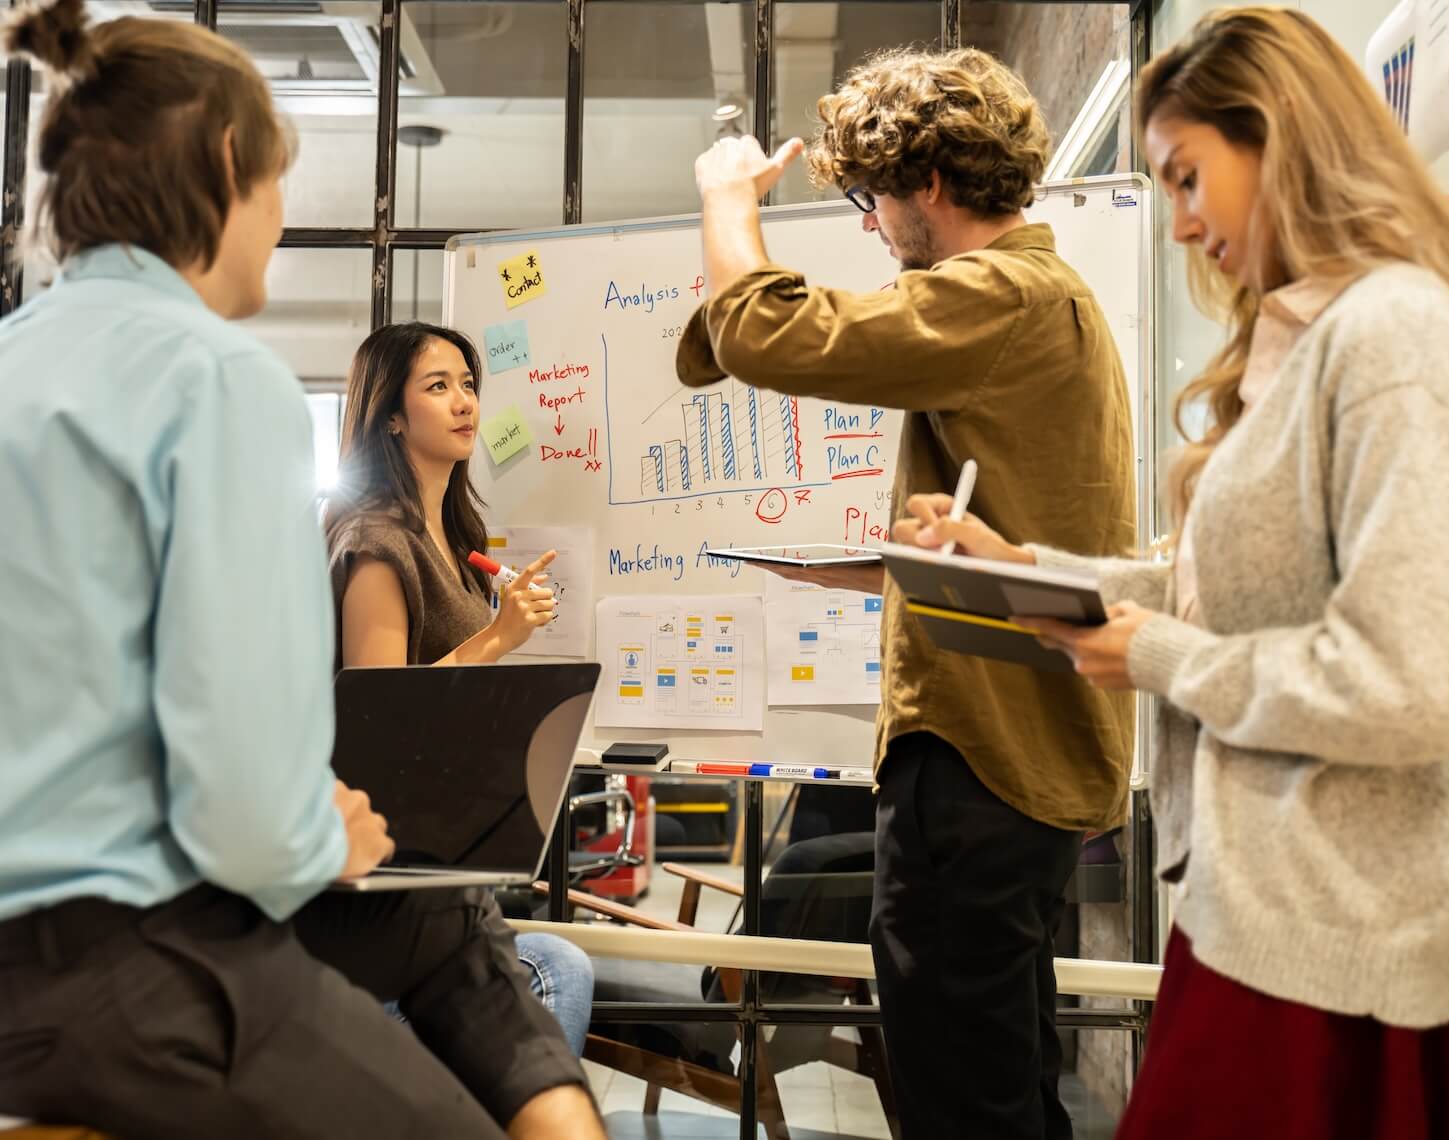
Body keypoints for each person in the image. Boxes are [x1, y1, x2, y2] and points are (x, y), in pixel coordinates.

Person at [896, 9, 1449, 1139]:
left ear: (1279, 136)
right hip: (1264, 920)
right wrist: (1023, 565)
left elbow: (1420, 683)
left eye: (1190, 178)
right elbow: (1223, 593)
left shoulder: (1391, 337)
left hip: (1327, 951)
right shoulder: (1322, 337)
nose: (1181, 225)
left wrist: (1163, 657)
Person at [0, 3, 603, 1136]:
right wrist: (315, 831)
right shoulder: (218, 380)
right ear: (231, 163)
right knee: (439, 927)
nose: (278, 222)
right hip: (123, 965)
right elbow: (241, 797)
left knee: (447, 925)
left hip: (49, 936)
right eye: (278, 184)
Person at [678, 47, 1136, 1139]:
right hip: (1021, 762)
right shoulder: (1046, 300)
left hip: (976, 764)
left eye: (872, 199)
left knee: (960, 1105)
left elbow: (761, 331)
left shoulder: (1000, 295)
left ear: (929, 183)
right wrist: (851, 565)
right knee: (1010, 1088)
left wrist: (726, 199)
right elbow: (1022, 535)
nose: (874, 227)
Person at [325, 320, 593, 1054]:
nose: (464, 402)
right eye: (438, 387)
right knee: (558, 973)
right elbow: (379, 722)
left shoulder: (451, 531)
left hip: (439, 856)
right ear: (390, 414)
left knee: (560, 967)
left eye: (468, 385)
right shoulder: (378, 541)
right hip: (380, 869)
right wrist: (499, 637)